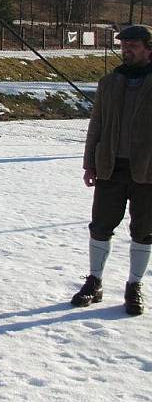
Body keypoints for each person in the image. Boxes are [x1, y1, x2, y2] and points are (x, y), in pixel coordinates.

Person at [71, 24, 152, 315]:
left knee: (144, 231)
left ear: (148, 48)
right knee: (100, 227)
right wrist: (89, 162)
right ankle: (95, 281)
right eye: (123, 45)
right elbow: (97, 125)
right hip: (110, 168)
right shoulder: (109, 82)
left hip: (147, 171)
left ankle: (134, 286)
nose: (126, 50)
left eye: (133, 45)